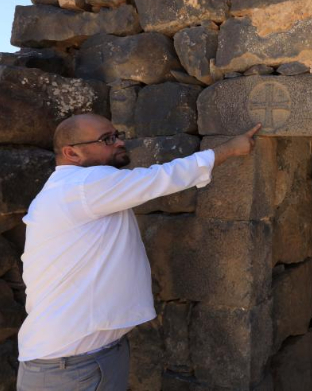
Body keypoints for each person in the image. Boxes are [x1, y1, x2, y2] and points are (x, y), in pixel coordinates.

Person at [16, 113, 262, 391]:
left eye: (117, 134)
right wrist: (229, 149)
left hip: (86, 359)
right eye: (107, 139)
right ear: (71, 152)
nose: (119, 142)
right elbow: (160, 178)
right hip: (68, 369)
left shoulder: (76, 189)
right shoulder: (81, 185)